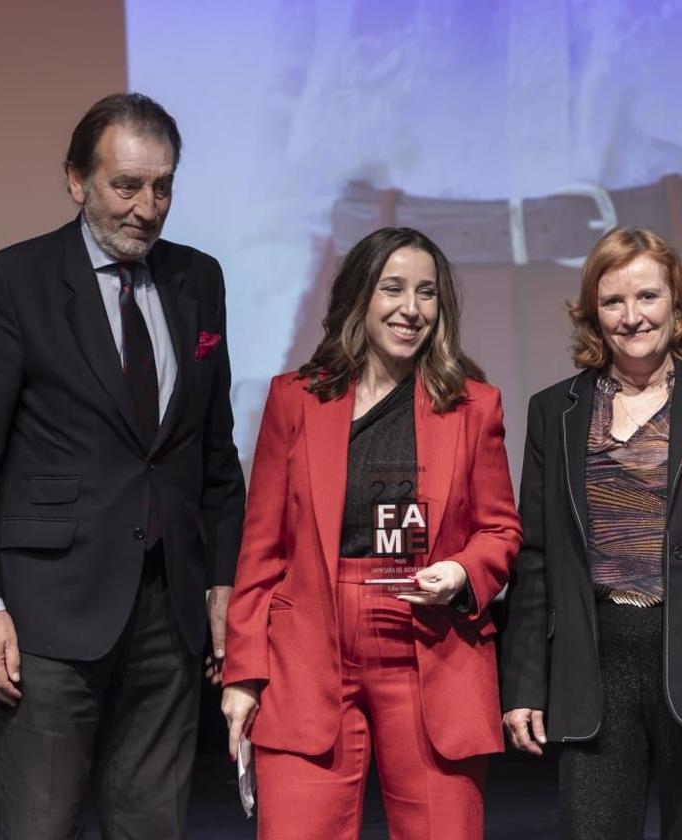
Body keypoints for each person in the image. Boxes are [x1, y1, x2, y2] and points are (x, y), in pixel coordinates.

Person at [0, 93, 246, 840]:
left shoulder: (198, 280)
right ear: (76, 179)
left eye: (162, 186)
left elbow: (215, 451)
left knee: (151, 826)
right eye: (126, 185)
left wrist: (223, 582)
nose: (146, 207)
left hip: (169, 612)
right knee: (43, 825)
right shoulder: (15, 281)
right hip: (46, 612)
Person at [221, 227, 522, 839]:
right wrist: (243, 675)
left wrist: (463, 571)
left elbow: (499, 530)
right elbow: (262, 549)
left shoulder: (472, 406)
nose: (411, 309)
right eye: (393, 288)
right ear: (360, 296)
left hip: (428, 646)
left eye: (427, 293)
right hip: (309, 651)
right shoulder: (295, 400)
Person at [500, 227, 682, 839]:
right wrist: (523, 687)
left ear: (678, 304)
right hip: (596, 665)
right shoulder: (552, 411)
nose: (632, 317)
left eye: (648, 297)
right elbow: (535, 561)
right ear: (592, 314)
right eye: (613, 301)